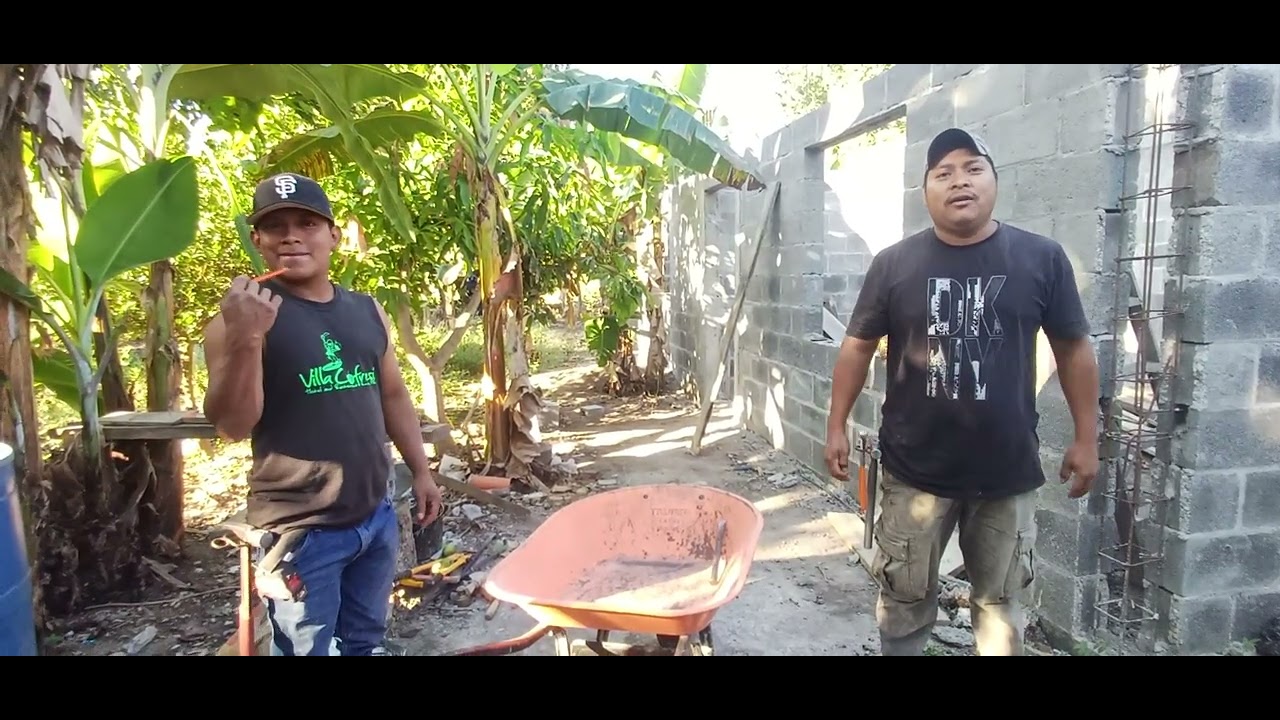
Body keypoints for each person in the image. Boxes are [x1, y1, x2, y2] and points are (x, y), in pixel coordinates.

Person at [824, 128, 1100, 656]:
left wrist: (1088, 437)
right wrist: (836, 424)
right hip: (914, 474)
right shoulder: (894, 264)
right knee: (903, 599)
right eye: (943, 173)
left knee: (1000, 608)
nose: (959, 181)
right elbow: (857, 347)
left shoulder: (1041, 258)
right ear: (926, 190)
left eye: (973, 168)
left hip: (1006, 474)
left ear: (994, 180)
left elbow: (1073, 349)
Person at [202, 172, 444, 656]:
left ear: (333, 235)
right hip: (301, 530)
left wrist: (421, 470)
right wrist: (247, 338)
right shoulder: (238, 319)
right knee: (305, 649)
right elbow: (232, 425)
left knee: (365, 639)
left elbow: (392, 396)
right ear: (258, 241)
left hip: (374, 514)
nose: (291, 235)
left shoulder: (366, 310)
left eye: (307, 223)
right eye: (276, 227)